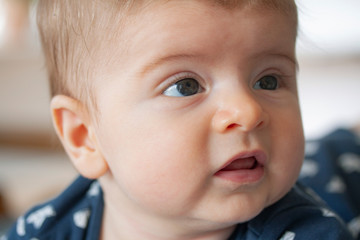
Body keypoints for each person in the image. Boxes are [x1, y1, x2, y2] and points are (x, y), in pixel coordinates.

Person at [2, 0, 354, 239]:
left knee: (337, 158)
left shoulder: (307, 232)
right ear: (84, 136)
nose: (248, 111)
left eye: (268, 81)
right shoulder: (43, 229)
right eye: (185, 86)